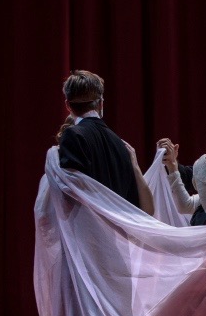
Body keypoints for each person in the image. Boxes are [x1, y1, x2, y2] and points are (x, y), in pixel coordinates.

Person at [58, 69, 154, 215]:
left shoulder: (73, 135)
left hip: (87, 227)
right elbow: (136, 206)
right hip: (119, 227)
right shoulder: (122, 145)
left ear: (67, 105)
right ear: (101, 104)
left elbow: (70, 194)